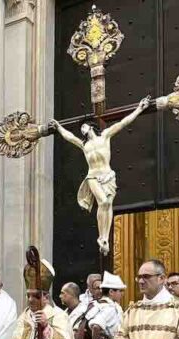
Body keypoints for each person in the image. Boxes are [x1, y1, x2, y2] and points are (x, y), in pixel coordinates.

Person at [51, 95, 151, 255]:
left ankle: (104, 238)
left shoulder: (105, 136)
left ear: (90, 126)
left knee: (108, 205)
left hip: (108, 175)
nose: (82, 130)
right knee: (103, 202)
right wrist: (58, 127)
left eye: (84, 127)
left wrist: (139, 109)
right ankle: (101, 236)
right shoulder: (84, 145)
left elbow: (123, 123)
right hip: (93, 177)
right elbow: (69, 137)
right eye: (81, 128)